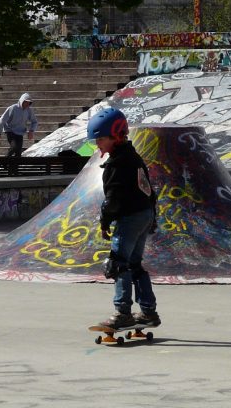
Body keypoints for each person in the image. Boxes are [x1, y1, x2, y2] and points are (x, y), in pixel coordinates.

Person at [88, 107, 161, 330]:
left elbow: (112, 200)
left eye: (101, 139)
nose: (97, 144)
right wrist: (152, 218)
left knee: (118, 264)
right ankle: (148, 312)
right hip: (144, 214)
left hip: (129, 217)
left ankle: (123, 313)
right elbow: (148, 189)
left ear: (116, 136)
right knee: (134, 265)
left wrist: (104, 222)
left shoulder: (117, 164)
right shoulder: (134, 158)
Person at [0, 93, 38, 174]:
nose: (27, 104)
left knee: (18, 152)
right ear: (22, 101)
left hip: (20, 132)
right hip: (10, 130)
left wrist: (31, 131)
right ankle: (4, 162)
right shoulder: (13, 108)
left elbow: (34, 121)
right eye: (25, 102)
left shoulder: (29, 110)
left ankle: (14, 170)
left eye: (29, 103)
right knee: (14, 147)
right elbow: (2, 120)